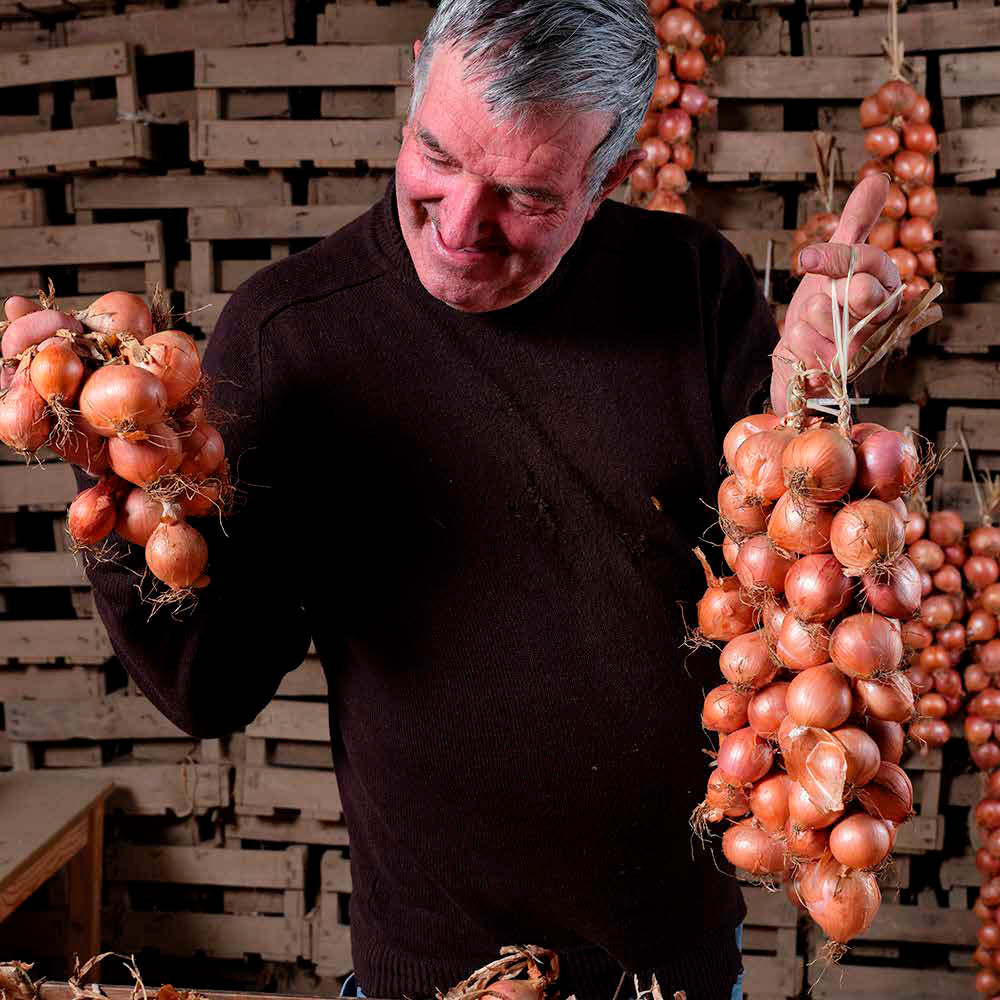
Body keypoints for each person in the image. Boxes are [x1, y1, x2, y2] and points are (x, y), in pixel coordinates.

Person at [69, 2, 940, 998]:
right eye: (434, 154)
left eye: (524, 197)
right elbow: (207, 685)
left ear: (607, 173)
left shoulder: (691, 285)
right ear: (413, 85)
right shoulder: (289, 333)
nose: (457, 224)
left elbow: (802, 601)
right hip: (437, 974)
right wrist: (120, 483)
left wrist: (809, 398)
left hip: (673, 964)